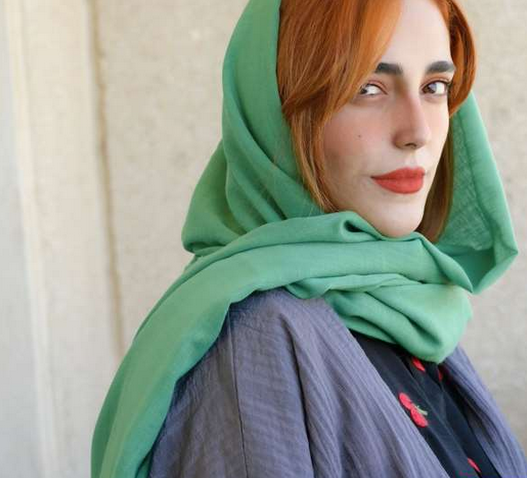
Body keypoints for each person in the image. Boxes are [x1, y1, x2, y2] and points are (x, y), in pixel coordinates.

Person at [90, 0, 527, 477]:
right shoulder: (254, 347)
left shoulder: (405, 305)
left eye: (434, 87)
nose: (417, 132)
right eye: (367, 87)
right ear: (277, 111)